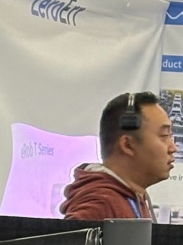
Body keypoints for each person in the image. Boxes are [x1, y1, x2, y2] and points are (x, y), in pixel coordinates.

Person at [61, 91, 174, 220]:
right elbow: (70, 233)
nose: (173, 148)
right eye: (164, 136)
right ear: (127, 145)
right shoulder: (100, 203)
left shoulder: (130, 196)